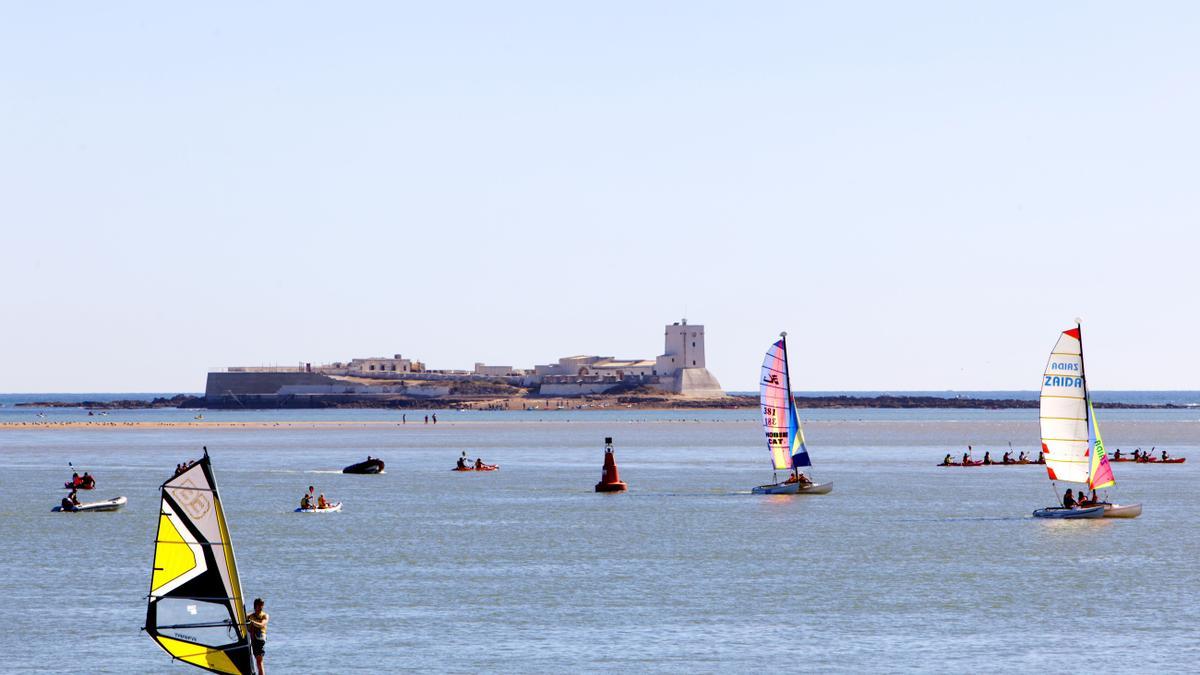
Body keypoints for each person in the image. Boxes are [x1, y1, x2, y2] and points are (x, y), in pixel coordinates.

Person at [247, 597, 268, 675]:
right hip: (252, 639)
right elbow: (242, 619)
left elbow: (262, 624)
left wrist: (252, 623)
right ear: (255, 606)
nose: (261, 607)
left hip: (260, 639)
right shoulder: (250, 616)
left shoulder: (264, 615)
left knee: (259, 661)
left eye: (262, 605)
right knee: (255, 661)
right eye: (259, 605)